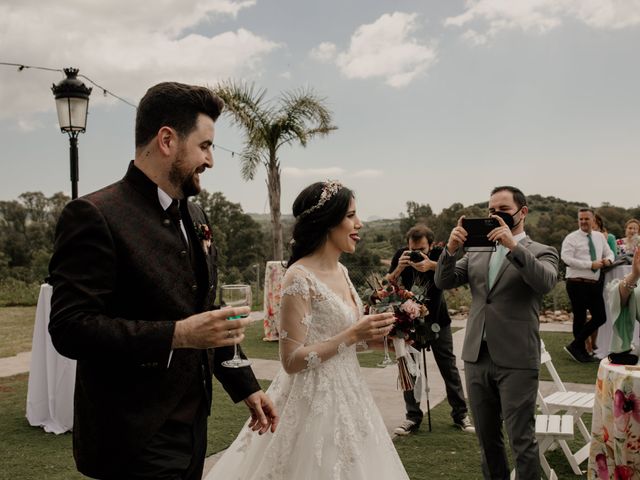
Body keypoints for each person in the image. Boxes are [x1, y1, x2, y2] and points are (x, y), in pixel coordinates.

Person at [48, 82, 278, 480]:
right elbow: (70, 329)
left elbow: (204, 315)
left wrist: (245, 386)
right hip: (131, 435)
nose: (210, 160)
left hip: (192, 428)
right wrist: (176, 334)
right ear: (167, 140)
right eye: (205, 146)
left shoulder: (197, 216)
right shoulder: (95, 215)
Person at [205, 180, 409, 480]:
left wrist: (378, 341)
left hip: (351, 396)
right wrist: (353, 335)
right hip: (312, 403)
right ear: (327, 221)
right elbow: (291, 360)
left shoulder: (342, 271)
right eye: (351, 215)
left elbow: (338, 341)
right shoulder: (298, 278)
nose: (359, 223)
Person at [435, 185, 559, 480]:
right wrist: (450, 250)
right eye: (491, 210)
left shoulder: (542, 251)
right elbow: (443, 280)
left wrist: (513, 246)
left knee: (522, 441)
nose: (495, 215)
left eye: (502, 210)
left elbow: (545, 282)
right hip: (477, 357)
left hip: (517, 359)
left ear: (522, 212)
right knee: (487, 443)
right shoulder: (478, 251)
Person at [386, 224, 474, 435]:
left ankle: (460, 415)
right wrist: (399, 267)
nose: (416, 254)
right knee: (409, 370)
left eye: (421, 250)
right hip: (409, 322)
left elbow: (453, 275)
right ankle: (412, 417)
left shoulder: (440, 254)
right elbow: (387, 285)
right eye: (412, 249)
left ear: (432, 245)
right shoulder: (402, 255)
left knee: (449, 368)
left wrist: (431, 264)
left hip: (438, 321)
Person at [561, 208, 614, 363]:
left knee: (600, 317)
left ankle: (575, 345)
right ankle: (581, 351)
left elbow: (609, 252)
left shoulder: (599, 237)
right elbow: (566, 259)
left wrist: (608, 260)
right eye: (581, 219)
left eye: (586, 219)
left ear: (593, 220)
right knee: (580, 317)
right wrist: (590, 264)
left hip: (594, 284)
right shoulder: (571, 238)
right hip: (576, 283)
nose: (583, 222)